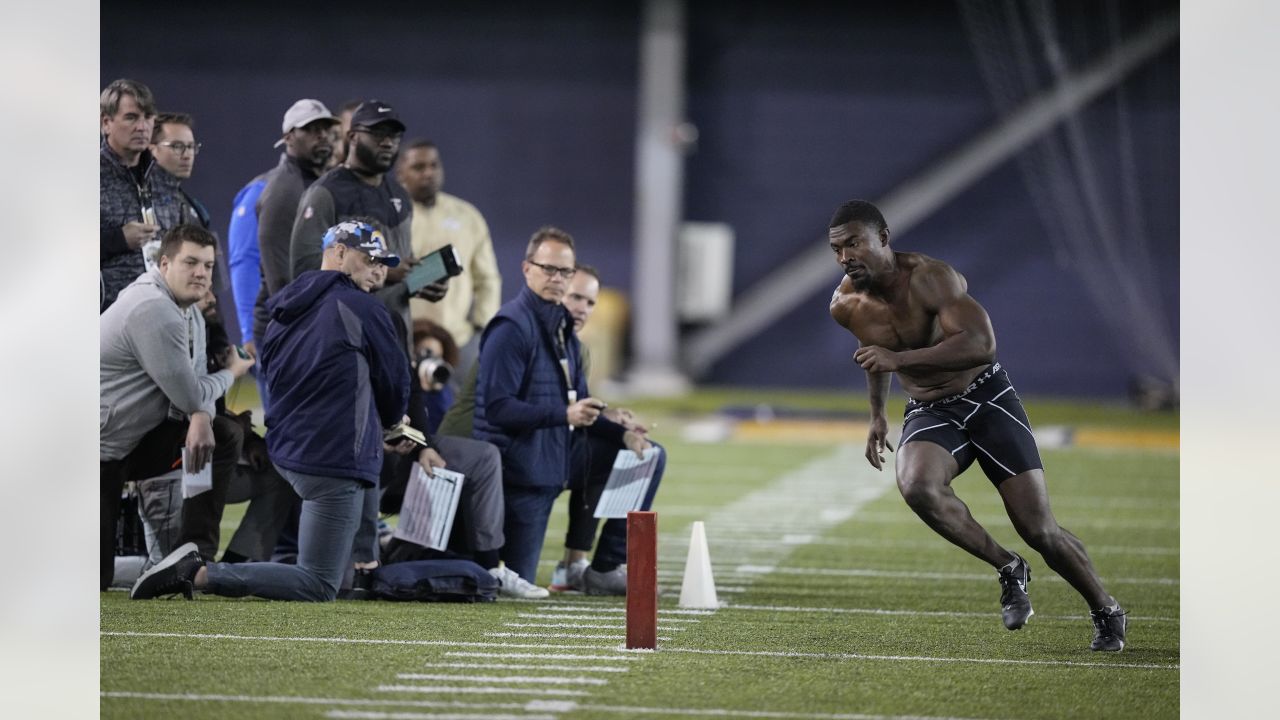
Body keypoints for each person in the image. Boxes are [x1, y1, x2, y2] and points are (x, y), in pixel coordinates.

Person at [826, 199, 1127, 652]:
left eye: (854, 243)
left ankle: (1105, 609)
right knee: (916, 486)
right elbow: (876, 355)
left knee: (1039, 528)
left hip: (987, 398)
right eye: (837, 249)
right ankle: (1008, 567)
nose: (845, 257)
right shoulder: (845, 304)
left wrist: (901, 360)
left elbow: (980, 345)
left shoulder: (931, 278)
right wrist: (876, 415)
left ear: (883, 238)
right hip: (931, 409)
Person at [131, 220, 409, 601]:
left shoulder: (287, 304)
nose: (380, 270)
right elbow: (394, 383)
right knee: (318, 583)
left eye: (384, 262)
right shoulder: (363, 308)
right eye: (371, 259)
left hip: (290, 449)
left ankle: (364, 571)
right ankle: (196, 573)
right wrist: (394, 422)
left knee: (344, 543)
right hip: (333, 456)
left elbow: (273, 376)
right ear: (339, 253)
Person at [473, 227, 641, 588]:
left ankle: (598, 564)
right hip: (518, 472)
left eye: (564, 272)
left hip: (551, 460)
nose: (557, 279)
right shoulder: (510, 327)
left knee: (641, 456)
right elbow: (498, 409)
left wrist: (621, 431)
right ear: (526, 268)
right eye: (548, 269)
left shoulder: (562, 327)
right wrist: (564, 416)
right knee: (512, 582)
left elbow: (573, 402)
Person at [100, 225, 255, 590]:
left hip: (130, 440)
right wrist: (232, 373)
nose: (201, 273)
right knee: (94, 580)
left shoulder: (190, 313)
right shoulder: (153, 307)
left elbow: (194, 393)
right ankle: (155, 565)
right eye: (190, 263)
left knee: (223, 434)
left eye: (208, 265)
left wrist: (200, 416)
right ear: (164, 263)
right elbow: (191, 395)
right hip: (98, 452)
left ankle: (193, 557)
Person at [290, 99, 442, 346]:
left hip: (395, 338)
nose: (387, 142)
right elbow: (304, 271)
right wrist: (381, 271)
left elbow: (402, 266)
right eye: (377, 133)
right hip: (346, 339)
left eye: (394, 135)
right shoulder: (325, 193)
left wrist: (420, 282)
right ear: (352, 137)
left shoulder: (401, 195)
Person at [247, 99, 341, 408]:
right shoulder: (285, 191)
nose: (323, 137)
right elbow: (282, 284)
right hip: (290, 331)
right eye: (312, 130)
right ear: (288, 137)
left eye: (327, 130)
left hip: (306, 324)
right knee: (292, 433)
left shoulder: (315, 183)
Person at [396, 140, 502, 381]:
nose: (428, 173)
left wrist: (483, 326)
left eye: (434, 165)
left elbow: (487, 278)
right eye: (419, 167)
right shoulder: (391, 216)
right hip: (404, 338)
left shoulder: (467, 216)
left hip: (460, 339)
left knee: (464, 413)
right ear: (400, 172)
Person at [100, 78, 182, 311]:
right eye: (131, 117)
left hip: (162, 313)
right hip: (107, 318)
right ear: (106, 123)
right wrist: (118, 239)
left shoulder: (164, 180)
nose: (142, 126)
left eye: (148, 117)